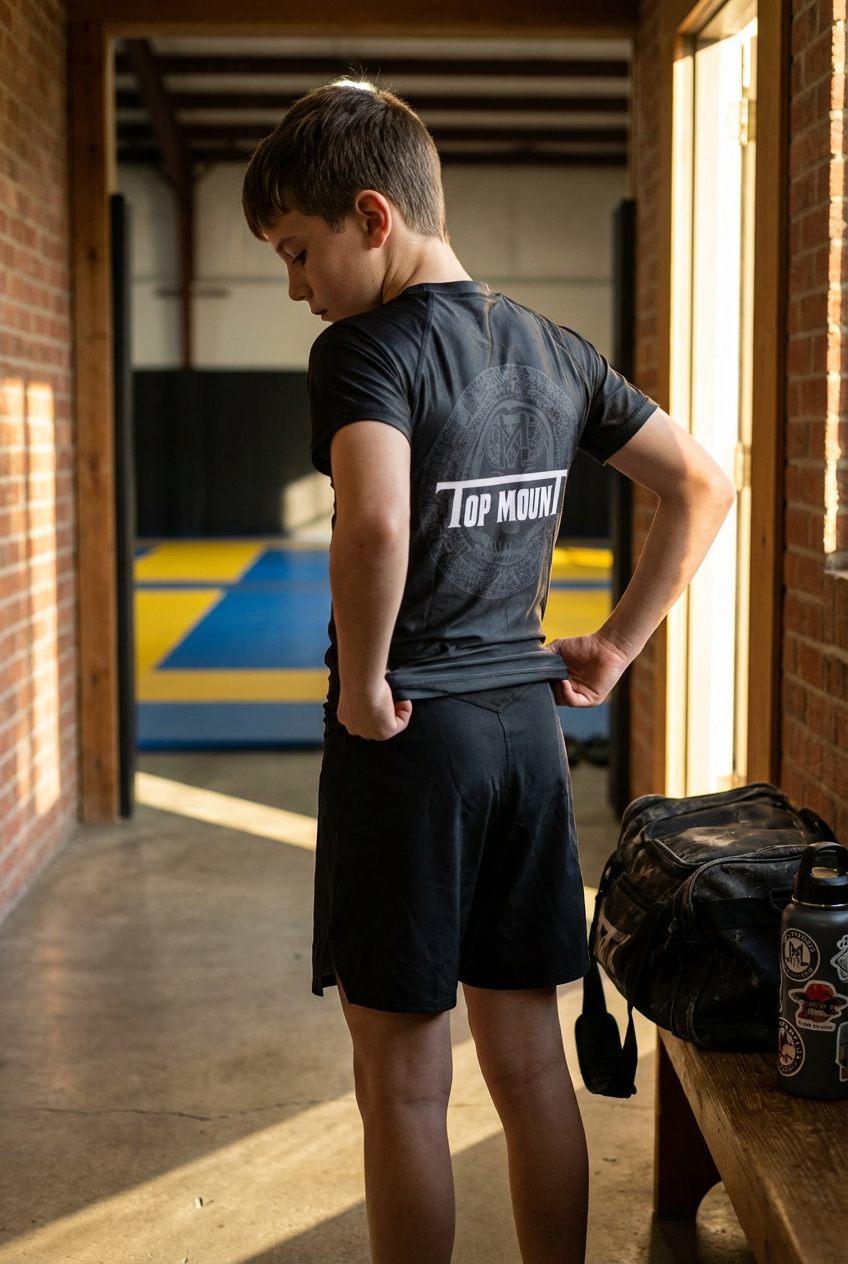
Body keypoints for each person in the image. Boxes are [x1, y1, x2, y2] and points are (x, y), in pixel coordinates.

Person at [242, 80, 734, 1264]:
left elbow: (368, 529)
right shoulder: (551, 346)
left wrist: (363, 683)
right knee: (526, 1063)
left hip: (410, 737)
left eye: (299, 254)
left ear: (372, 217)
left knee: (403, 1083)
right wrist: (614, 646)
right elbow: (704, 484)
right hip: (525, 736)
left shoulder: (364, 353)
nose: (298, 290)